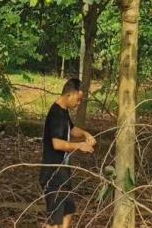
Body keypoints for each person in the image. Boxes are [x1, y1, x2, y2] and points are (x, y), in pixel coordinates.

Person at [39, 77, 96, 228]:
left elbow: (72, 129)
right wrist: (80, 146)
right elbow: (57, 144)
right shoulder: (56, 113)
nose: (78, 104)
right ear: (69, 94)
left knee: (69, 209)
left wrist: (85, 134)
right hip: (53, 174)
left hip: (62, 173)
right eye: (77, 100)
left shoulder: (63, 112)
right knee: (55, 221)